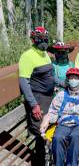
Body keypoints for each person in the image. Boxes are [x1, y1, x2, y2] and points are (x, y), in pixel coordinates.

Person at [40, 67, 79, 166]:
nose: (73, 80)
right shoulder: (60, 95)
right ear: (68, 80)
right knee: (57, 138)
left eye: (76, 78)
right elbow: (53, 111)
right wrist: (46, 119)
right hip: (63, 124)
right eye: (71, 78)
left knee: (75, 136)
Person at [18, 26, 54, 165]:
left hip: (50, 98)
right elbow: (24, 82)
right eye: (40, 39)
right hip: (38, 100)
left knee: (49, 132)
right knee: (41, 134)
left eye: (46, 39)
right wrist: (33, 105)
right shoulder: (27, 56)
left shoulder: (45, 54)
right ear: (34, 40)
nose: (44, 42)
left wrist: (65, 82)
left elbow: (51, 76)